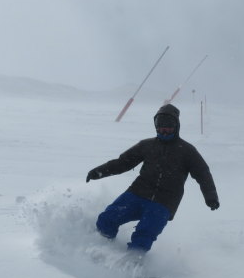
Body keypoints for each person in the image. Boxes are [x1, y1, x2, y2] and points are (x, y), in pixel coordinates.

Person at [86, 104, 219, 253]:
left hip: (164, 202)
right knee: (107, 218)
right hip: (137, 193)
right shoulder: (147, 145)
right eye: (159, 125)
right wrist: (99, 172)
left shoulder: (187, 151)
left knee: (145, 233)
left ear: (176, 126)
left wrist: (211, 197)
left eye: (168, 125)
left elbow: (203, 173)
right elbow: (123, 162)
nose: (164, 130)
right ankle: (102, 248)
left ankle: (134, 263)